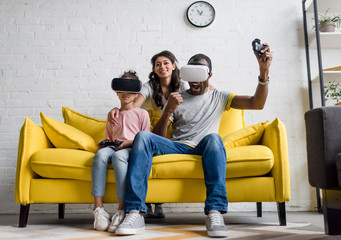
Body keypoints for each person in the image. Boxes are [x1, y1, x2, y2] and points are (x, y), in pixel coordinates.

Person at [115, 45, 272, 238]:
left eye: (201, 73)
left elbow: (257, 104)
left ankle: (215, 212)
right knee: (143, 136)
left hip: (203, 147)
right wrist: (168, 110)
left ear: (209, 75)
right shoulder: (177, 98)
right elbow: (159, 136)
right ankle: (135, 212)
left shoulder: (220, 96)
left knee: (214, 138)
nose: (195, 80)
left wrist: (263, 72)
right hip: (177, 146)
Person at [109, 50, 188, 218]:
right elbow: (133, 104)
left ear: (173, 66)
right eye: (158, 64)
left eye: (166, 63)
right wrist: (119, 108)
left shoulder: (182, 86)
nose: (162, 67)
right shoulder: (149, 86)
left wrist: (209, 87)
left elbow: (195, 101)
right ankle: (145, 203)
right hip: (151, 129)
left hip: (174, 129)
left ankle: (158, 203)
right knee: (144, 156)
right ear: (154, 69)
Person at [91, 71, 151, 232]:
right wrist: (103, 144)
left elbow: (145, 139)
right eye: (122, 90)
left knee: (118, 157)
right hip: (113, 146)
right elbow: (109, 137)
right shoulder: (113, 115)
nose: (126, 94)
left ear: (137, 93)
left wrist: (128, 143)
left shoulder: (142, 114)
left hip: (131, 148)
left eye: (130, 90)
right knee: (100, 155)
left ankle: (121, 209)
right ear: (117, 92)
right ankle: (98, 209)